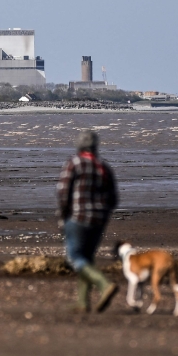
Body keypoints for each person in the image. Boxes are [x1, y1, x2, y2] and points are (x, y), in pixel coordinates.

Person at [56, 130, 119, 313]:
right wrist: (103, 213)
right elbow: (113, 198)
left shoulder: (74, 163)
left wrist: (62, 216)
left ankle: (104, 284)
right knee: (87, 258)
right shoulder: (103, 167)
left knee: (74, 257)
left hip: (78, 218)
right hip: (98, 220)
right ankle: (82, 302)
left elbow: (62, 192)